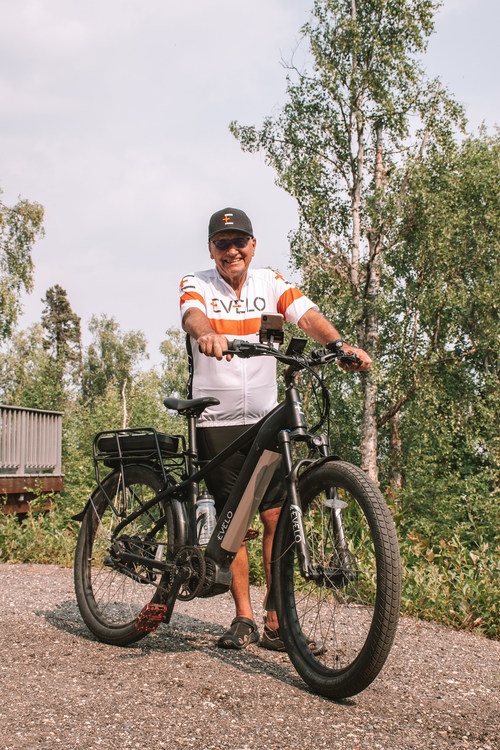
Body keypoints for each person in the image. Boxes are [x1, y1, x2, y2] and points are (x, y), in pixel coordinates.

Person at [179, 207, 372, 651]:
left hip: (267, 419)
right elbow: (192, 316)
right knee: (236, 522)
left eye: (239, 241)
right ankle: (243, 617)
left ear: (253, 244)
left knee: (276, 518)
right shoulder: (196, 282)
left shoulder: (271, 282)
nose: (232, 251)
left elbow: (305, 315)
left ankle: (274, 618)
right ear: (211, 248)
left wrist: (338, 345)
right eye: (222, 243)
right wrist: (207, 334)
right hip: (218, 419)